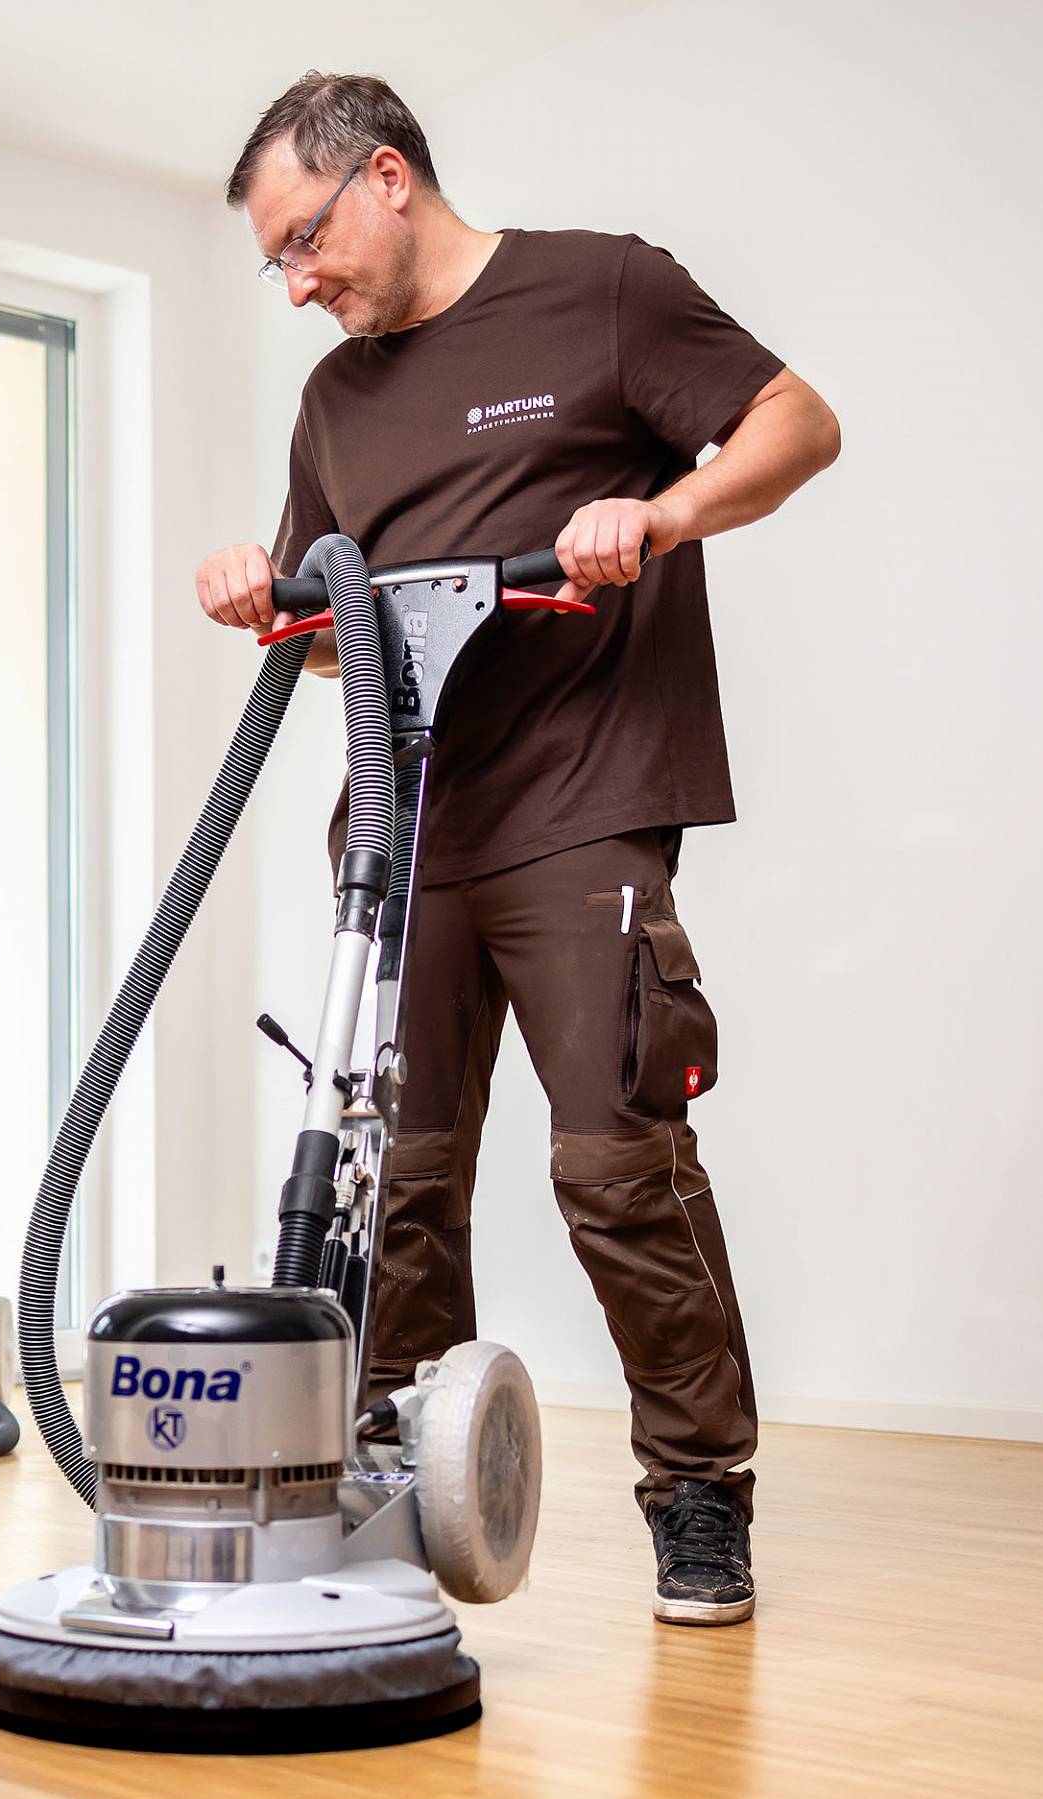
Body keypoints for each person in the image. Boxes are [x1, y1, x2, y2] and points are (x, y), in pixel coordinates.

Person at [199, 72, 840, 1626]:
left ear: (388, 179)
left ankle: (700, 1497)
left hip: (583, 799)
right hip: (402, 832)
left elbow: (799, 423)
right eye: (275, 263)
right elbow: (332, 622)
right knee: (395, 1173)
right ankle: (399, 1489)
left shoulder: (599, 289)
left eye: (304, 242)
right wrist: (255, 587)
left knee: (617, 1161)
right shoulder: (335, 402)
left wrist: (664, 515)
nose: (297, 285)